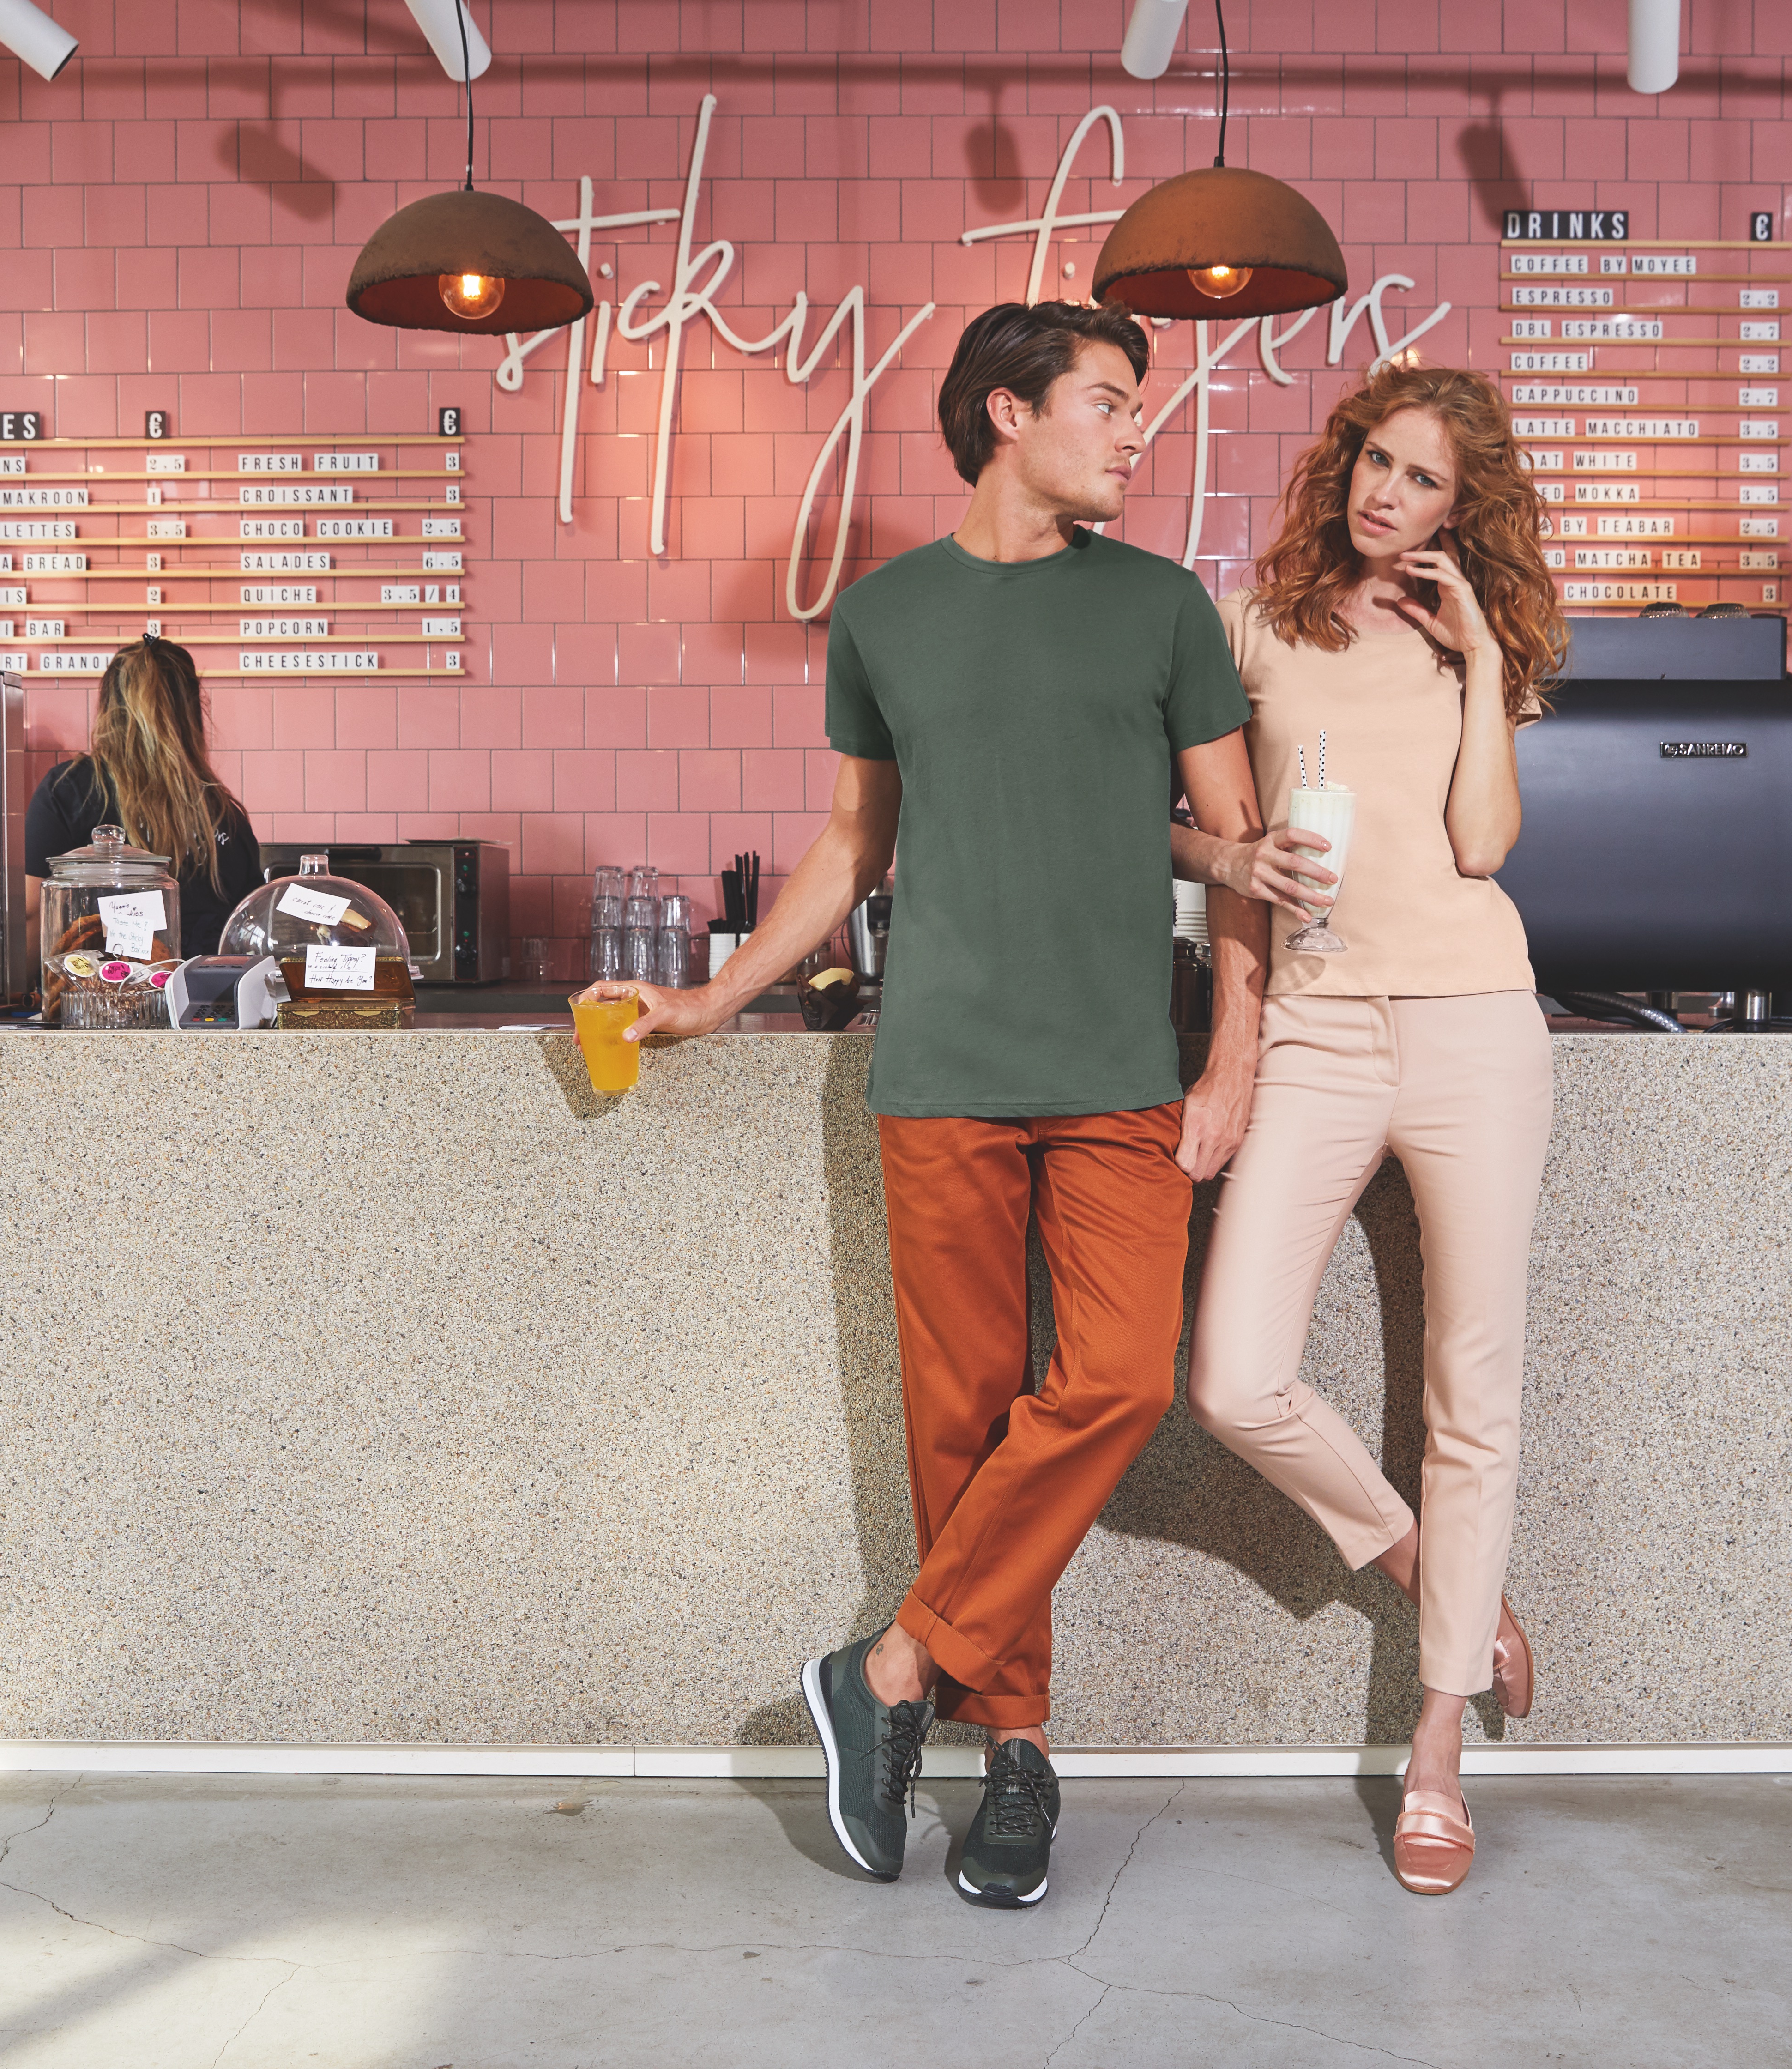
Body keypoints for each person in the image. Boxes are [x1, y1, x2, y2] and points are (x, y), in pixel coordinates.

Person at [575, 302, 1265, 1909]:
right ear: (1006, 415)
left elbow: (1242, 853)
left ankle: (888, 1674)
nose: (1137, 428)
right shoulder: (887, 618)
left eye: (1139, 404)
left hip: (1118, 1074)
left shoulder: (1165, 610)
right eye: (1108, 401)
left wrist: (1235, 1057)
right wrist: (707, 1000)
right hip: (941, 1067)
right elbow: (847, 848)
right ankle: (1013, 1757)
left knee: (1113, 1386)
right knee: (960, 1428)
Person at [1170, 355, 1567, 1897]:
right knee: (1234, 1375)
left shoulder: (1487, 641)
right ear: (1344, 461)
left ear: (1465, 512)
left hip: (1477, 1027)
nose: (1389, 494)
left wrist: (1475, 658)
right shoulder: (1255, 629)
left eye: (1424, 480)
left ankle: (1438, 1748)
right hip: (1322, 1032)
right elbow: (1198, 836)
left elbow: (1482, 841)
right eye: (1377, 462)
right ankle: (1437, 1581)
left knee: (1476, 1399)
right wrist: (1238, 898)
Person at [22, 635, 265, 959]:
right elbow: (248, 930)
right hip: (207, 1002)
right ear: (193, 710)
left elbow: (32, 913)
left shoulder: (70, 789)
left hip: (98, 998)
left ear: (109, 705)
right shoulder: (223, 813)